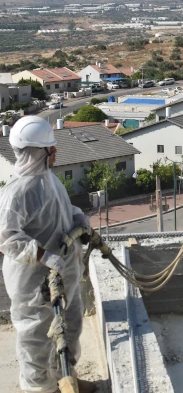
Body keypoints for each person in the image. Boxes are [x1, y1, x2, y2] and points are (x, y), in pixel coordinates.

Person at [0, 116, 96, 393]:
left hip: (65, 272)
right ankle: (39, 389)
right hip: (34, 282)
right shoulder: (17, 192)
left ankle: (66, 378)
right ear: (41, 151)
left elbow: (59, 214)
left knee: (71, 326)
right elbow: (7, 237)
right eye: (51, 148)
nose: (56, 152)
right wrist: (43, 255)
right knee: (37, 337)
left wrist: (78, 218)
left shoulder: (48, 180)